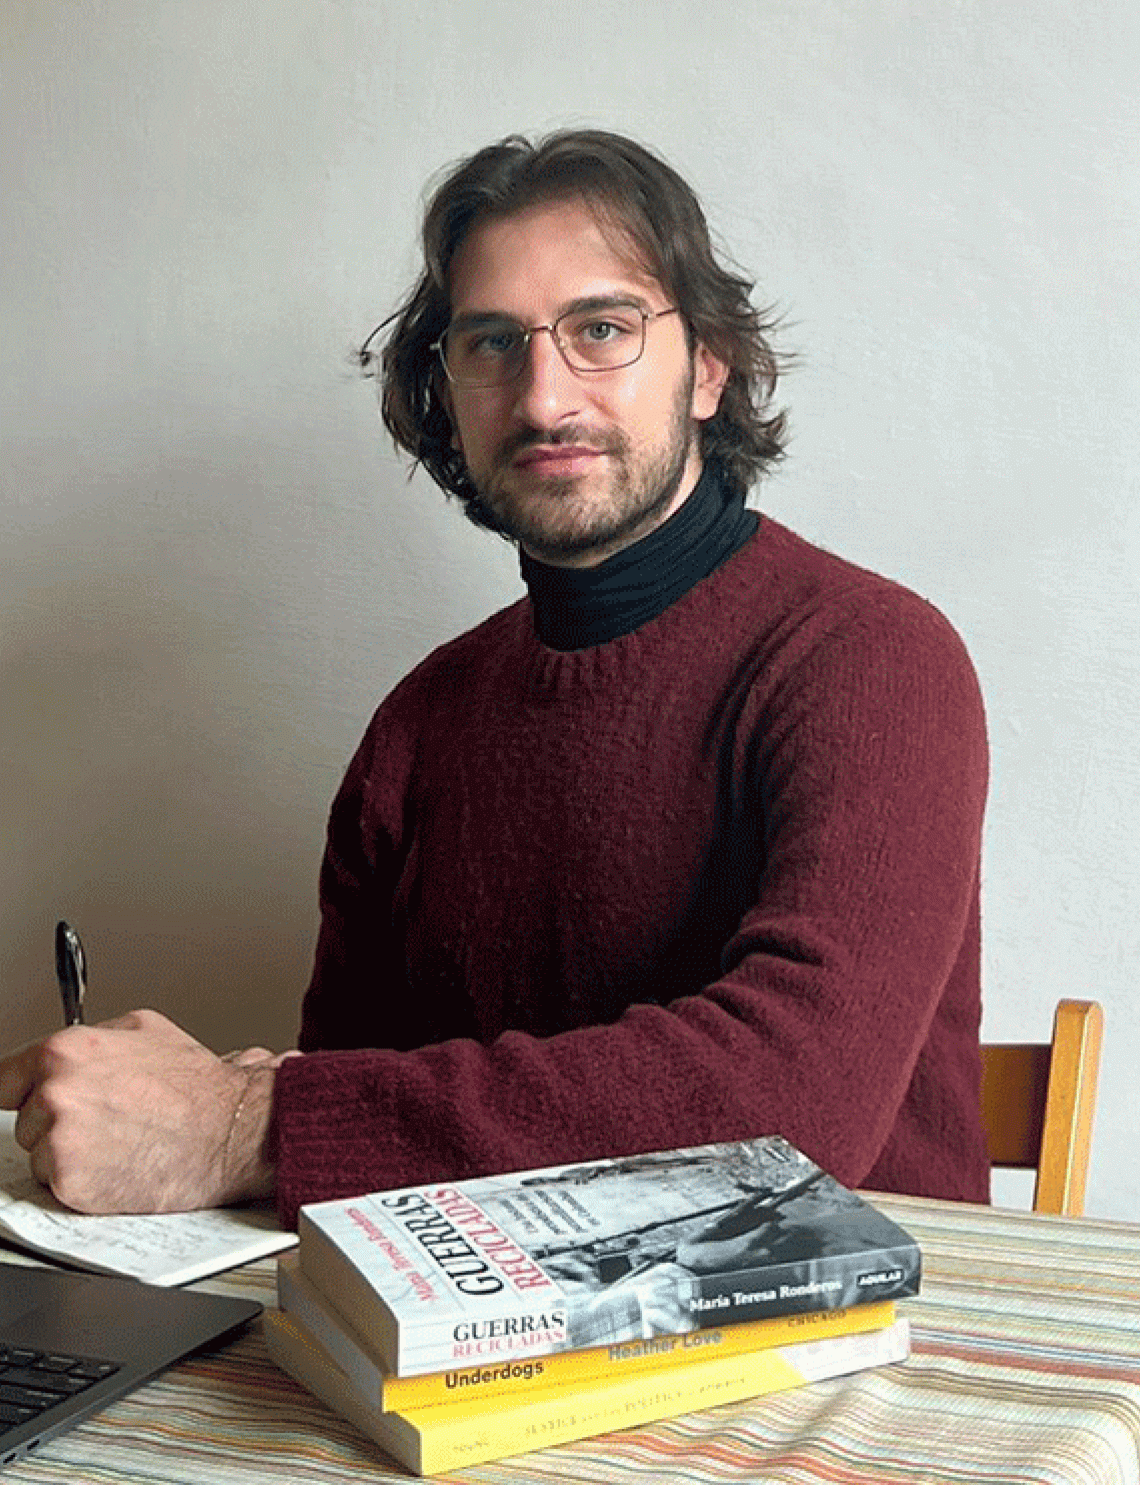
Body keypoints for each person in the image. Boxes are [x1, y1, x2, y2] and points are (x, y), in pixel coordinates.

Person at [0, 130, 990, 1225]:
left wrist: (255, 1122)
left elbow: (801, 1106)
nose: (543, 397)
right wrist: (229, 1113)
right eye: (491, 343)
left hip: (848, 1349)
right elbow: (353, 1148)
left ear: (708, 366)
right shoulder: (420, 724)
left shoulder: (871, 657)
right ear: (447, 390)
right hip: (492, 1346)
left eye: (602, 329)